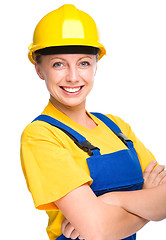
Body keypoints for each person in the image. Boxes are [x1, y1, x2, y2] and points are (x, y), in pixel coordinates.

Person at [20, 4, 166, 240]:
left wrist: (112, 201)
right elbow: (98, 230)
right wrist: (148, 203)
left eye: (84, 63)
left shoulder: (117, 127)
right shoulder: (40, 135)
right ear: (39, 68)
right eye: (58, 63)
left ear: (96, 65)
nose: (73, 76)